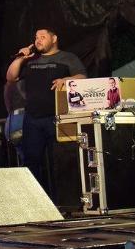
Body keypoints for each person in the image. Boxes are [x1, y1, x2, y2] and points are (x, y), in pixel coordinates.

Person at [6, 28, 86, 193]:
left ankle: (64, 199)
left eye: (43, 37)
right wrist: (21, 58)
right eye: (36, 37)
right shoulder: (30, 60)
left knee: (60, 160)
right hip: (32, 119)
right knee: (32, 161)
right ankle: (37, 199)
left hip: (58, 117)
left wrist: (66, 79)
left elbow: (82, 77)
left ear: (54, 38)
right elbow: (11, 77)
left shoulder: (67, 58)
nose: (38, 40)